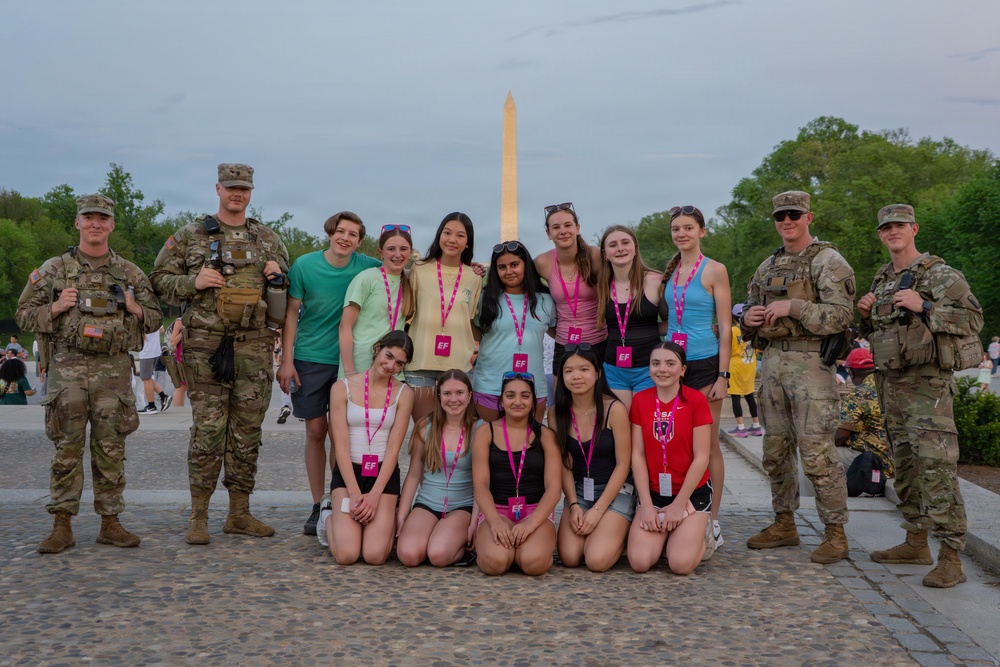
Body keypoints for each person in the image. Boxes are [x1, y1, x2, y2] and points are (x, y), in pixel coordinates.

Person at [150, 163, 289, 545]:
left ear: (251, 192)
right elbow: (157, 281)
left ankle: (239, 513)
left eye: (243, 188)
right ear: (218, 189)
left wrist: (278, 277)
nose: (237, 194)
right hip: (206, 348)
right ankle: (199, 516)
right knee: (208, 432)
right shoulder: (190, 235)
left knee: (247, 433)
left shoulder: (268, 240)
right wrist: (192, 282)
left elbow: (286, 293)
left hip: (254, 348)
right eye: (231, 187)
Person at [17, 194, 162, 553]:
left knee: (111, 447)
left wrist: (134, 307)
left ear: (111, 225)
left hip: (113, 370)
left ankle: (110, 523)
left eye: (102, 218)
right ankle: (61, 526)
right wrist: (55, 307)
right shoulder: (54, 269)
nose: (95, 223)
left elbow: (155, 318)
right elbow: (23, 315)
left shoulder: (129, 273)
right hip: (67, 368)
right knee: (66, 448)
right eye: (88, 217)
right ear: (78, 223)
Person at [859, 203, 983, 587]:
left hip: (928, 388)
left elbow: (973, 320)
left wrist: (925, 305)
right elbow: (884, 330)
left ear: (914, 229)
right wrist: (864, 312)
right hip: (891, 385)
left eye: (900, 225)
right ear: (881, 234)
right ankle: (916, 542)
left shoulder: (941, 274)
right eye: (886, 228)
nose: (892, 232)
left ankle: (951, 557)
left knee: (936, 467)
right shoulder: (883, 279)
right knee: (906, 467)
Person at [740, 190, 854, 564]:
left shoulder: (827, 261)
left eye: (793, 214)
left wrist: (796, 307)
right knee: (775, 451)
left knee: (817, 453)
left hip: (811, 365)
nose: (787, 221)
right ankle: (784, 523)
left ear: (809, 217)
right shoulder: (767, 266)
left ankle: (835, 533)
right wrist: (749, 319)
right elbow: (749, 312)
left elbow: (842, 316)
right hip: (772, 363)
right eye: (780, 216)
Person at [277, 211, 382, 535]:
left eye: (352, 234)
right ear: (330, 233)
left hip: (350, 361)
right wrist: (286, 360)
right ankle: (316, 501)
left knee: (343, 434)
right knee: (315, 431)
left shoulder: (367, 266)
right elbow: (291, 314)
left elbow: (401, 271)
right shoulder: (305, 266)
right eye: (341, 232)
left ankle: (339, 499)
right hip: (310, 357)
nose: (345, 238)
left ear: (359, 242)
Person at [660, 205, 732, 550]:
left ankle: (712, 519)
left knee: (708, 444)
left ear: (702, 231)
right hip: (673, 365)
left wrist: (723, 375)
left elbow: (726, 327)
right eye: (676, 229)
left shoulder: (714, 269)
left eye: (688, 228)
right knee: (677, 441)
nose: (681, 234)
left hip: (704, 362)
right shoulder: (670, 271)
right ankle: (683, 508)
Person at [322, 331, 415, 565]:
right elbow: (340, 446)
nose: (391, 366)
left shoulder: (404, 394)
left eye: (399, 363)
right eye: (389, 356)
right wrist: (354, 493)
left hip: (383, 475)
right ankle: (328, 516)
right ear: (378, 347)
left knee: (375, 555)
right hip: (349, 474)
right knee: (347, 555)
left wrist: (374, 496)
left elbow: (393, 450)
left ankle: (385, 515)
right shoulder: (341, 388)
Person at [627, 342, 713, 574]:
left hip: (691, 494)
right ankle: (669, 534)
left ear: (682, 370)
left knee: (680, 565)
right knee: (639, 562)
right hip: (655, 493)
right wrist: (646, 505)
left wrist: (678, 505)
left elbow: (702, 457)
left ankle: (700, 535)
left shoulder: (696, 400)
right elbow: (637, 455)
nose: (662, 369)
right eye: (655, 363)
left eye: (670, 363)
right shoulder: (640, 400)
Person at [550, 344, 634, 572]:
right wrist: (574, 505)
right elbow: (564, 465)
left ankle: (622, 534)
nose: (576, 376)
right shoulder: (556, 413)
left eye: (584, 369)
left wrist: (598, 511)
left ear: (597, 373)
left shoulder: (614, 409)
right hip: (580, 492)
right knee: (569, 557)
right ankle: (605, 531)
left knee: (596, 560)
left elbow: (623, 465)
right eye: (568, 371)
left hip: (616, 491)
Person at [472, 372, 562, 575]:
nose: (518, 402)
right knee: (495, 563)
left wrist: (532, 522)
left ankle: (528, 550)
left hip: (535, 511)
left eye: (525, 396)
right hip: (496, 510)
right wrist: (494, 521)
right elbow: (480, 485)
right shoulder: (485, 433)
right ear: (501, 401)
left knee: (533, 564)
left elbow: (554, 489)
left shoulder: (546, 436)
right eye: (510, 395)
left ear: (534, 401)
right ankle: (501, 549)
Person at [405, 213, 482, 423]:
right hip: (420, 361)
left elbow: (470, 319)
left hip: (458, 364)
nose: (452, 240)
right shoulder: (419, 269)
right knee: (423, 431)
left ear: (467, 243)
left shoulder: (474, 277)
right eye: (447, 233)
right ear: (439, 235)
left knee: (453, 431)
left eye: (460, 235)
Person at [396, 369, 478, 567]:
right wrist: (402, 515)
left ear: (469, 396)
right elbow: (414, 475)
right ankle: (432, 537)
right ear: (439, 396)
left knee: (438, 555)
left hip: (463, 506)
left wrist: (475, 522)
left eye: (459, 393)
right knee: (408, 555)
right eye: (447, 393)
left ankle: (459, 549)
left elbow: (483, 483)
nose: (453, 399)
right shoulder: (425, 426)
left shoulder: (480, 429)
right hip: (428, 502)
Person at [473, 240, 556, 422]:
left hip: (533, 386)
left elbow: (559, 333)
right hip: (490, 386)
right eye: (502, 267)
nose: (508, 271)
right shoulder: (484, 299)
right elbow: (475, 334)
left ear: (526, 265)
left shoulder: (546, 300)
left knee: (530, 438)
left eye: (514, 265)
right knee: (491, 438)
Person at [595, 225, 663, 410]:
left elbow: (672, 322)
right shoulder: (600, 286)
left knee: (643, 422)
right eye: (613, 245)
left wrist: (647, 330)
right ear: (605, 254)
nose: (620, 248)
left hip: (649, 368)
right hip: (615, 370)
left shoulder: (656, 281)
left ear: (635, 248)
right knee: (621, 422)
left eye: (625, 242)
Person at [533, 202, 607, 372]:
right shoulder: (542, 263)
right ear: (548, 233)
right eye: (556, 227)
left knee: (600, 388)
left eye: (568, 225)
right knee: (561, 390)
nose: (563, 231)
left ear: (577, 228)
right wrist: (477, 270)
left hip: (599, 341)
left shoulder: (596, 256)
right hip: (564, 344)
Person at [338, 225, 414, 378]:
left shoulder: (410, 281)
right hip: (360, 366)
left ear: (410, 253)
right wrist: (349, 371)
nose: (397, 254)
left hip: (392, 369)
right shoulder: (367, 278)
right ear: (381, 252)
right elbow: (345, 326)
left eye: (403, 249)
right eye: (391, 249)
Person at [835, 348, 893, 493]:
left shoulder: (858, 394)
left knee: (814, 454)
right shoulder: (890, 385)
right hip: (896, 459)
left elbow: (841, 436)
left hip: (872, 460)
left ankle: (811, 497)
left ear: (851, 372)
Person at [727, 304, 762, 438]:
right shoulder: (752, 330)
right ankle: (756, 425)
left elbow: (728, 348)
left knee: (735, 396)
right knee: (749, 394)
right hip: (750, 364)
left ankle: (741, 427)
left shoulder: (733, 330)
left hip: (736, 366)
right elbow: (758, 347)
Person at [137, 327, 171, 414]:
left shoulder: (141, 320)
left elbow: (142, 335)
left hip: (146, 352)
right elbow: (161, 329)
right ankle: (163, 397)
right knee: (146, 377)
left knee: (145, 379)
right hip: (155, 350)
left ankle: (151, 406)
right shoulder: (154, 318)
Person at [167, 318, 187, 408]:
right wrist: (183, 332)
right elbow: (172, 342)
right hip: (181, 357)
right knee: (180, 386)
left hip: (190, 355)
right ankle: (178, 411)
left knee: (186, 387)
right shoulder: (180, 321)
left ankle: (181, 409)